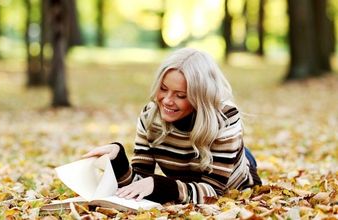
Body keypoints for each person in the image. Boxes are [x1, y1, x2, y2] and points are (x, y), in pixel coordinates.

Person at [83, 48, 262, 204]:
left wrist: (162, 185)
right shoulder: (150, 116)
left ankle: (244, 154)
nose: (167, 101)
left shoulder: (226, 117)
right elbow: (139, 183)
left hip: (232, 172)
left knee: (241, 156)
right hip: (186, 175)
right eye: (163, 88)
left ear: (200, 97)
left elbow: (214, 192)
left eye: (181, 95)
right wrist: (118, 159)